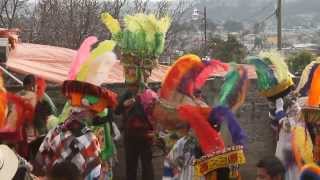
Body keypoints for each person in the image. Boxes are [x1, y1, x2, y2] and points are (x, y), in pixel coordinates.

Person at [115, 83, 155, 180]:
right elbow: (117, 110)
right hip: (130, 137)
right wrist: (124, 104)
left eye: (134, 85)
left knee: (147, 165)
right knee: (131, 165)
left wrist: (138, 102)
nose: (131, 87)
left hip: (146, 136)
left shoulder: (149, 94)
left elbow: (154, 114)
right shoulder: (128, 94)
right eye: (130, 85)